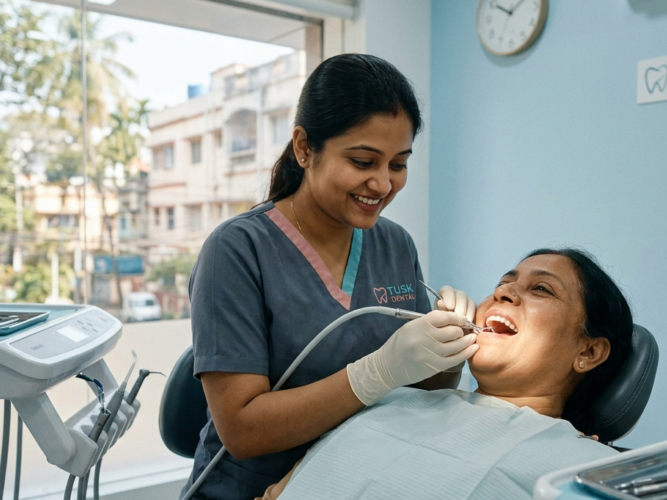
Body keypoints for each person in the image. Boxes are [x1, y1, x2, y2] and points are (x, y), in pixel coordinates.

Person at [184, 54, 481, 499]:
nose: (382, 184)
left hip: (356, 482)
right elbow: (243, 432)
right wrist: (376, 372)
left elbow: (425, 389)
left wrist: (449, 349)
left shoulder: (395, 243)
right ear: (304, 148)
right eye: (363, 161)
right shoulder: (237, 250)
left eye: (398, 164)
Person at [256, 248, 635, 499]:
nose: (503, 294)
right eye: (503, 283)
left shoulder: (584, 469)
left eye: (541, 289)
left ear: (588, 351)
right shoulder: (394, 399)